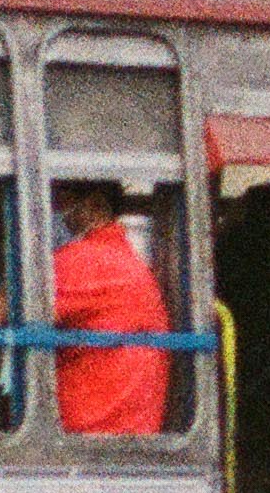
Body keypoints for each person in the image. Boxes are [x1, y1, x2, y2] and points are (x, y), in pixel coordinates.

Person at [46, 180, 176, 439]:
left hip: (91, 432)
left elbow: (1, 312)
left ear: (94, 206)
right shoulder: (122, 258)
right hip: (126, 426)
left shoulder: (87, 259)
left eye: (62, 203)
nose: (57, 213)